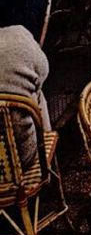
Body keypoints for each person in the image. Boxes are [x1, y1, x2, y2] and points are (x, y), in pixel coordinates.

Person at [0, 24, 52, 169]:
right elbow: (44, 71)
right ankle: (48, 163)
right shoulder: (18, 37)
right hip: (19, 159)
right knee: (35, 92)